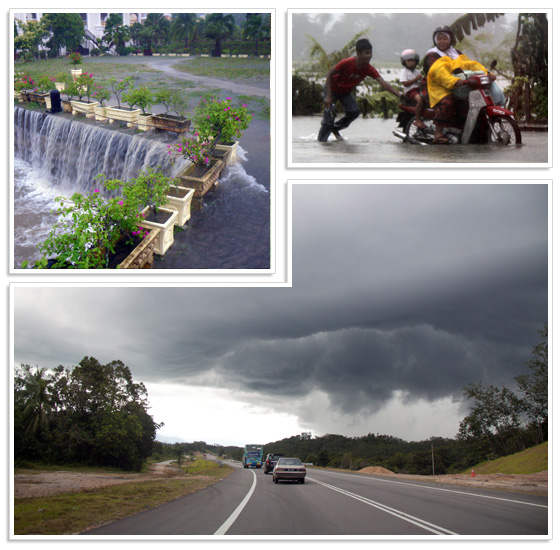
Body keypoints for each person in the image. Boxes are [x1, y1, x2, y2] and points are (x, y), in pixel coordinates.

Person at [318, 38, 404, 142]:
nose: (369, 56)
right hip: (332, 89)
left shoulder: (369, 68)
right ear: (358, 53)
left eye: (371, 53)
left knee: (354, 111)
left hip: (345, 92)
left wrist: (400, 95)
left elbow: (384, 83)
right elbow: (329, 75)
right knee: (328, 120)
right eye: (366, 53)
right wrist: (329, 96)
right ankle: (321, 144)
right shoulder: (346, 63)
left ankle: (335, 128)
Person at [424, 25, 495, 144]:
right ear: (435, 40)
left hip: (459, 83)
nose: (442, 41)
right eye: (439, 38)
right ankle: (438, 133)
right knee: (448, 102)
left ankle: (464, 129)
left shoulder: (456, 53)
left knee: (470, 101)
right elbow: (438, 72)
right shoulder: (432, 55)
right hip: (438, 86)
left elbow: (471, 65)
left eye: (444, 38)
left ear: (450, 39)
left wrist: (488, 73)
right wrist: (453, 81)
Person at [399, 49, 425, 129]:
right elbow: (405, 83)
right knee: (420, 100)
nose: (411, 62)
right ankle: (417, 119)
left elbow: (421, 82)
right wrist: (416, 79)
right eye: (408, 61)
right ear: (404, 62)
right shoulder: (404, 72)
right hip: (410, 91)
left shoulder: (417, 72)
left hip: (418, 90)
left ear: (416, 61)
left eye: (413, 61)